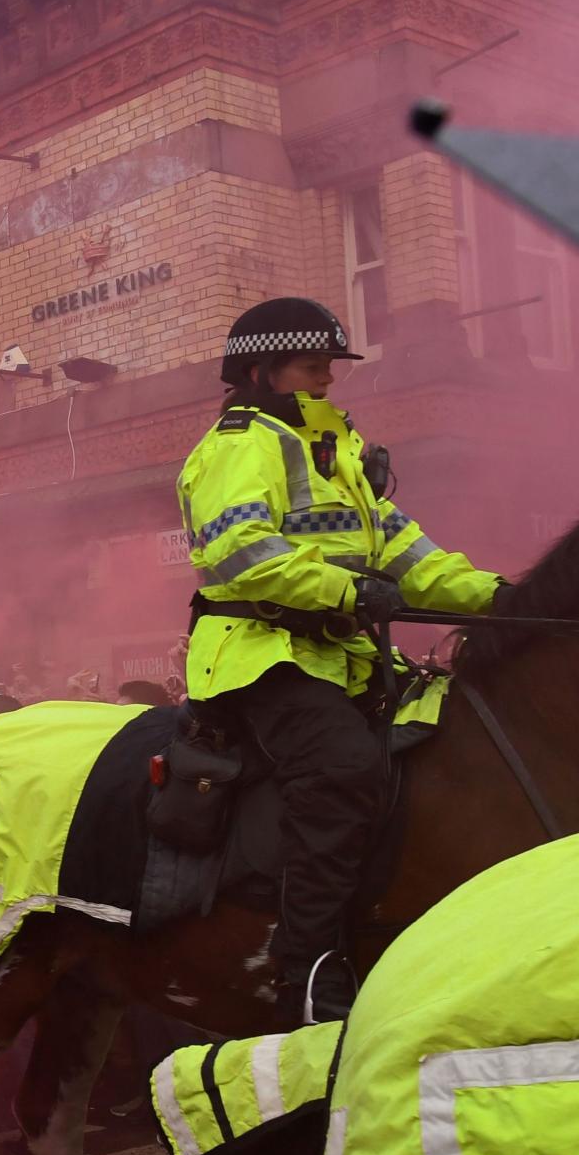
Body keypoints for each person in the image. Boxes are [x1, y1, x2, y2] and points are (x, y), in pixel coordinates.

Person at [179, 296, 500, 1022]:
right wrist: (349, 588)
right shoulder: (239, 444)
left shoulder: (340, 450)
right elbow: (242, 553)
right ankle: (309, 970)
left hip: (342, 653)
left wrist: (503, 596)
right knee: (342, 769)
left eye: (330, 368)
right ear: (260, 371)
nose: (326, 381)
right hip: (261, 654)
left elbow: (412, 557)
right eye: (310, 367)